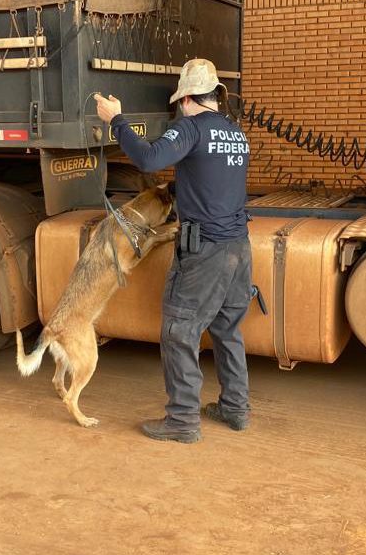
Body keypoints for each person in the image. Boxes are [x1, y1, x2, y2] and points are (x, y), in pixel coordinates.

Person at [95, 58, 252, 444]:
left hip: (207, 252)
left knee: (179, 332)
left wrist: (116, 120)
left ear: (184, 100)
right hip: (239, 248)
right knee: (227, 330)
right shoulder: (235, 133)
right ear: (216, 95)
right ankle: (235, 409)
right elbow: (209, 182)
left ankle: (182, 421)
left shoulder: (190, 128)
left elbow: (148, 158)